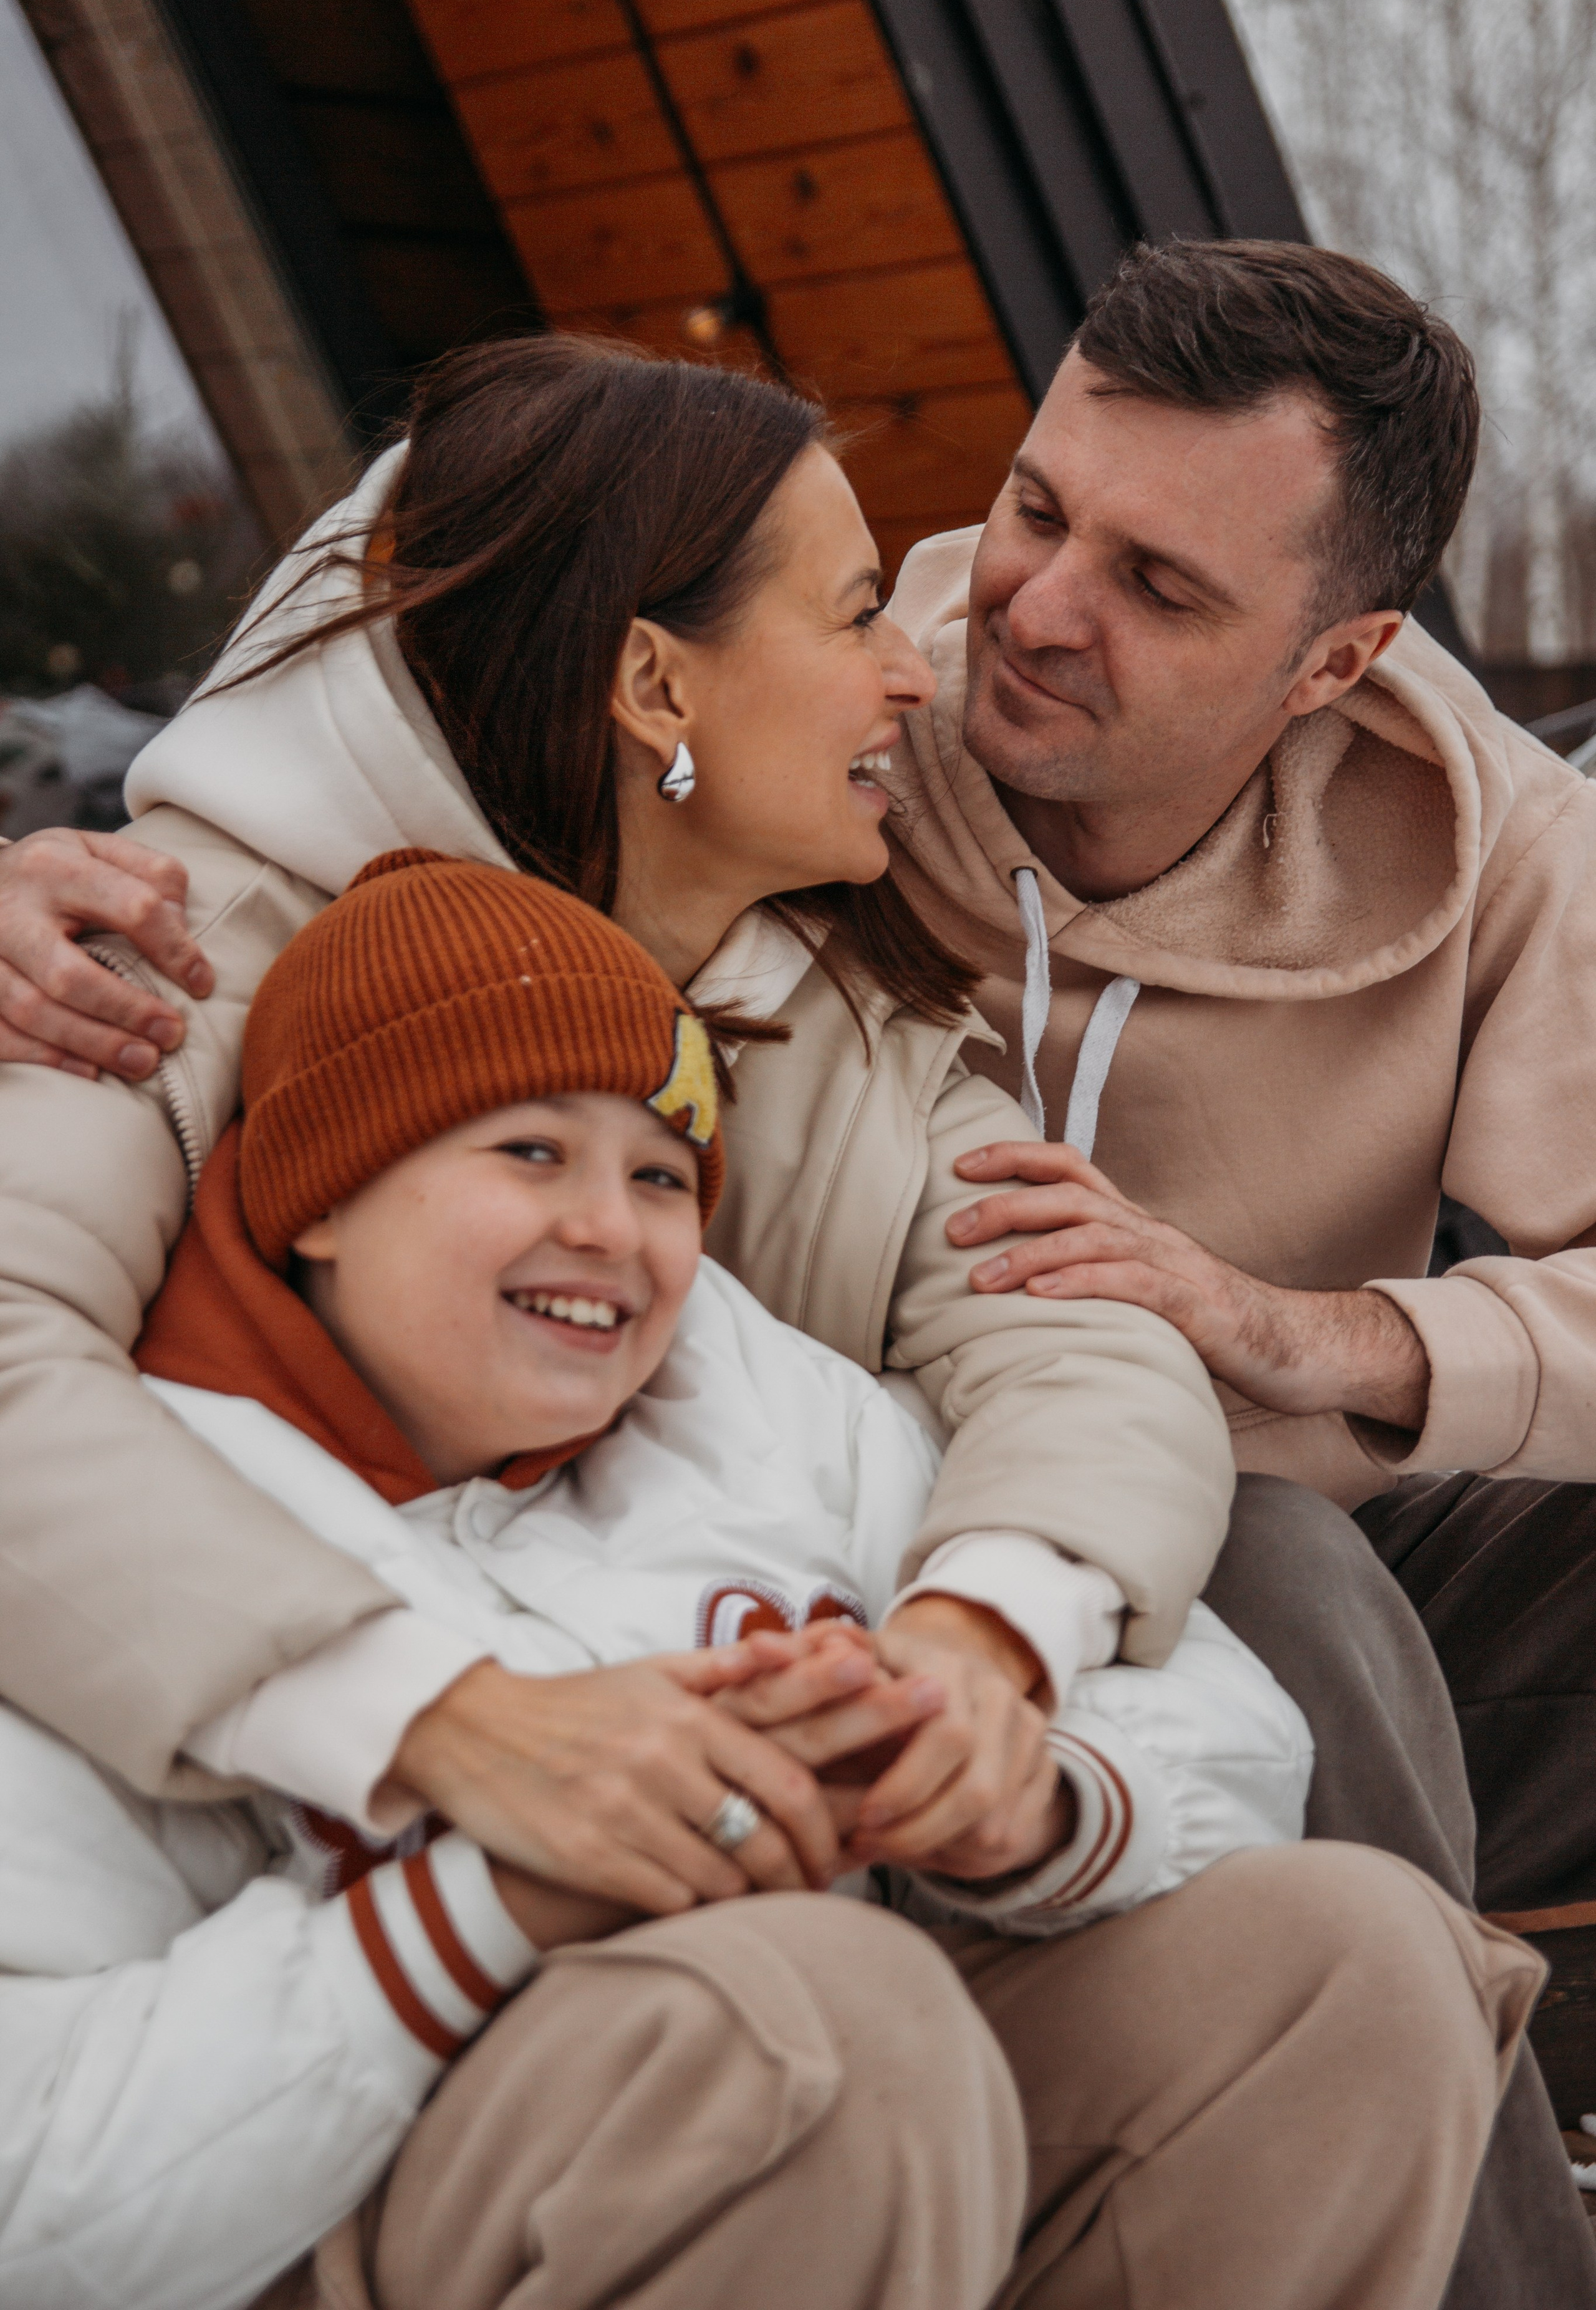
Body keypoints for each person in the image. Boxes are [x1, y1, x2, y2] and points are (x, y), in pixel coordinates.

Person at [1, 296, 1588, 2296]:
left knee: (1340, 1950)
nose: (942, 655)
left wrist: (978, 1653)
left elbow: (1075, 1345)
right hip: (303, 1899)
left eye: (1161, 581)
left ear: (1331, 659)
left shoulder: (834, 1004)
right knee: (855, 1995)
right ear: (656, 687)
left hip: (784, 1772)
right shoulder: (148, 954)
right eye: (977, 542)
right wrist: (437, 1727)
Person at [0, 842, 1530, 2310]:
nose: (608, 1229)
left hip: (877, 2147)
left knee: (1350, 1966)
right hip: (368, 2223)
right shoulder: (125, 1530)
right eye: (527, 1150)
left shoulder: (753, 1409)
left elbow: (1235, 1737)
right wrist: (495, 1898)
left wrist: (1020, 1788)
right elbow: (36, 2197)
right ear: (324, 1189)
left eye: (664, 1178)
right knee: (808, 2019)